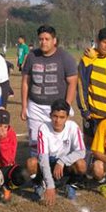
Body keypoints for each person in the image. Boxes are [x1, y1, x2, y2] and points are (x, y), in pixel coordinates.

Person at [20, 25, 77, 156]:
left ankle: (59, 168)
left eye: (47, 39)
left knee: (58, 140)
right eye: (41, 39)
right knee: (35, 141)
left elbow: (72, 83)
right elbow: (25, 82)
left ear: (54, 40)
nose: (43, 42)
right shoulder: (32, 56)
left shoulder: (65, 57)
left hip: (57, 107)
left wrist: (66, 106)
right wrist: (24, 106)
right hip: (35, 106)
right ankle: (38, 170)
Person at [27, 99, 87, 205]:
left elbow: (81, 151)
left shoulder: (73, 127)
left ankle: (70, 184)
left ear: (67, 117)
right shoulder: (43, 128)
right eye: (55, 116)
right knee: (31, 163)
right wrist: (50, 186)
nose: (57, 120)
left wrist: (62, 161)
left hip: (64, 163)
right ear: (50, 115)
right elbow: (43, 158)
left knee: (81, 164)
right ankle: (39, 185)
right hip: (48, 161)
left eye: (62, 117)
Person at [77, 27, 106, 147]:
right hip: (93, 114)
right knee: (90, 147)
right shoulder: (87, 60)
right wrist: (84, 110)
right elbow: (81, 86)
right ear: (97, 40)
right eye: (104, 43)